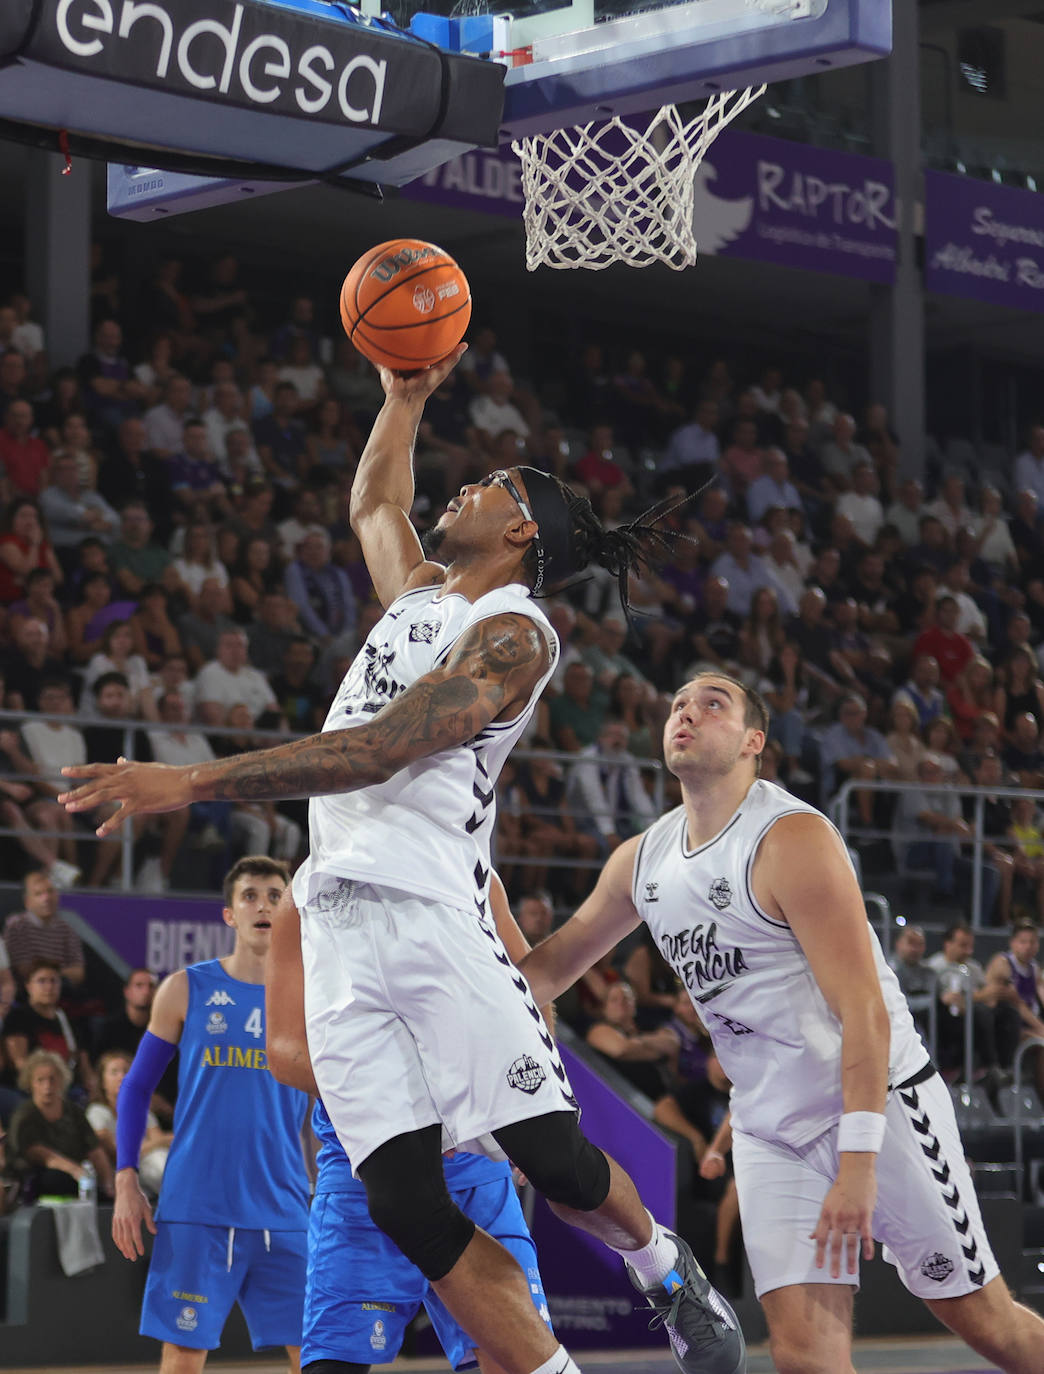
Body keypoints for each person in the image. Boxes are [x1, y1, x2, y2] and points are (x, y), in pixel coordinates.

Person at [59, 349, 745, 1374]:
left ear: (520, 530)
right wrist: (402, 399)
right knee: (402, 1196)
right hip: (337, 917)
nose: (465, 485)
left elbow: (384, 746)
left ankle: (662, 1268)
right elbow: (375, 503)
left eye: (494, 485)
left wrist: (191, 783)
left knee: (553, 1159)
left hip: (435, 915)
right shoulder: (421, 598)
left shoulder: (515, 634)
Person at [517, 670, 1044, 1374]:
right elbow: (549, 969)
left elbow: (863, 1011)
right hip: (771, 1128)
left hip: (877, 1106)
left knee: (986, 1324)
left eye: (714, 704)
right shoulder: (640, 862)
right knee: (801, 1355)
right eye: (678, 704)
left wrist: (857, 1163)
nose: (687, 713)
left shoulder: (789, 837)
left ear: (753, 742)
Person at [266, 871, 557, 1374]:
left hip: (473, 1175)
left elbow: (531, 997)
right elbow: (285, 1052)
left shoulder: (475, 877)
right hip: (367, 1170)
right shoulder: (307, 891)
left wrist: (528, 1104)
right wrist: (405, 1111)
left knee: (517, 1363)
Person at [110, 856, 310, 1372]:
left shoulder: (313, 999)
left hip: (285, 1206)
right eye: (250, 896)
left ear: (290, 911)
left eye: (274, 895)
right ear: (229, 914)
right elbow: (134, 1090)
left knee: (317, 1356)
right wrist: (126, 1179)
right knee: (183, 1358)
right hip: (197, 1206)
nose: (263, 905)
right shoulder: (184, 988)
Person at [7, 1049, 114, 1200]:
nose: (47, 1086)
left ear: (62, 1080)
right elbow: (39, 1154)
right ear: (30, 1083)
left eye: (52, 1079)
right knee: (57, 1179)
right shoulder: (25, 1115)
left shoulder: (74, 1111)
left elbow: (94, 1149)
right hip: (39, 1176)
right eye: (40, 1080)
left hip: (79, 1174)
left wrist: (108, 1183)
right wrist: (76, 1171)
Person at [88, 1049, 170, 1196]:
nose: (122, 1077)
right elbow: (118, 1152)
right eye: (114, 1072)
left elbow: (161, 1141)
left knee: (168, 1159)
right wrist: (161, 1141)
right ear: (102, 1082)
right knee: (161, 1164)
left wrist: (155, 1143)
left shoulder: (143, 1110)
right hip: (125, 1171)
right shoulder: (97, 1112)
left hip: (152, 1163)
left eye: (126, 1071)